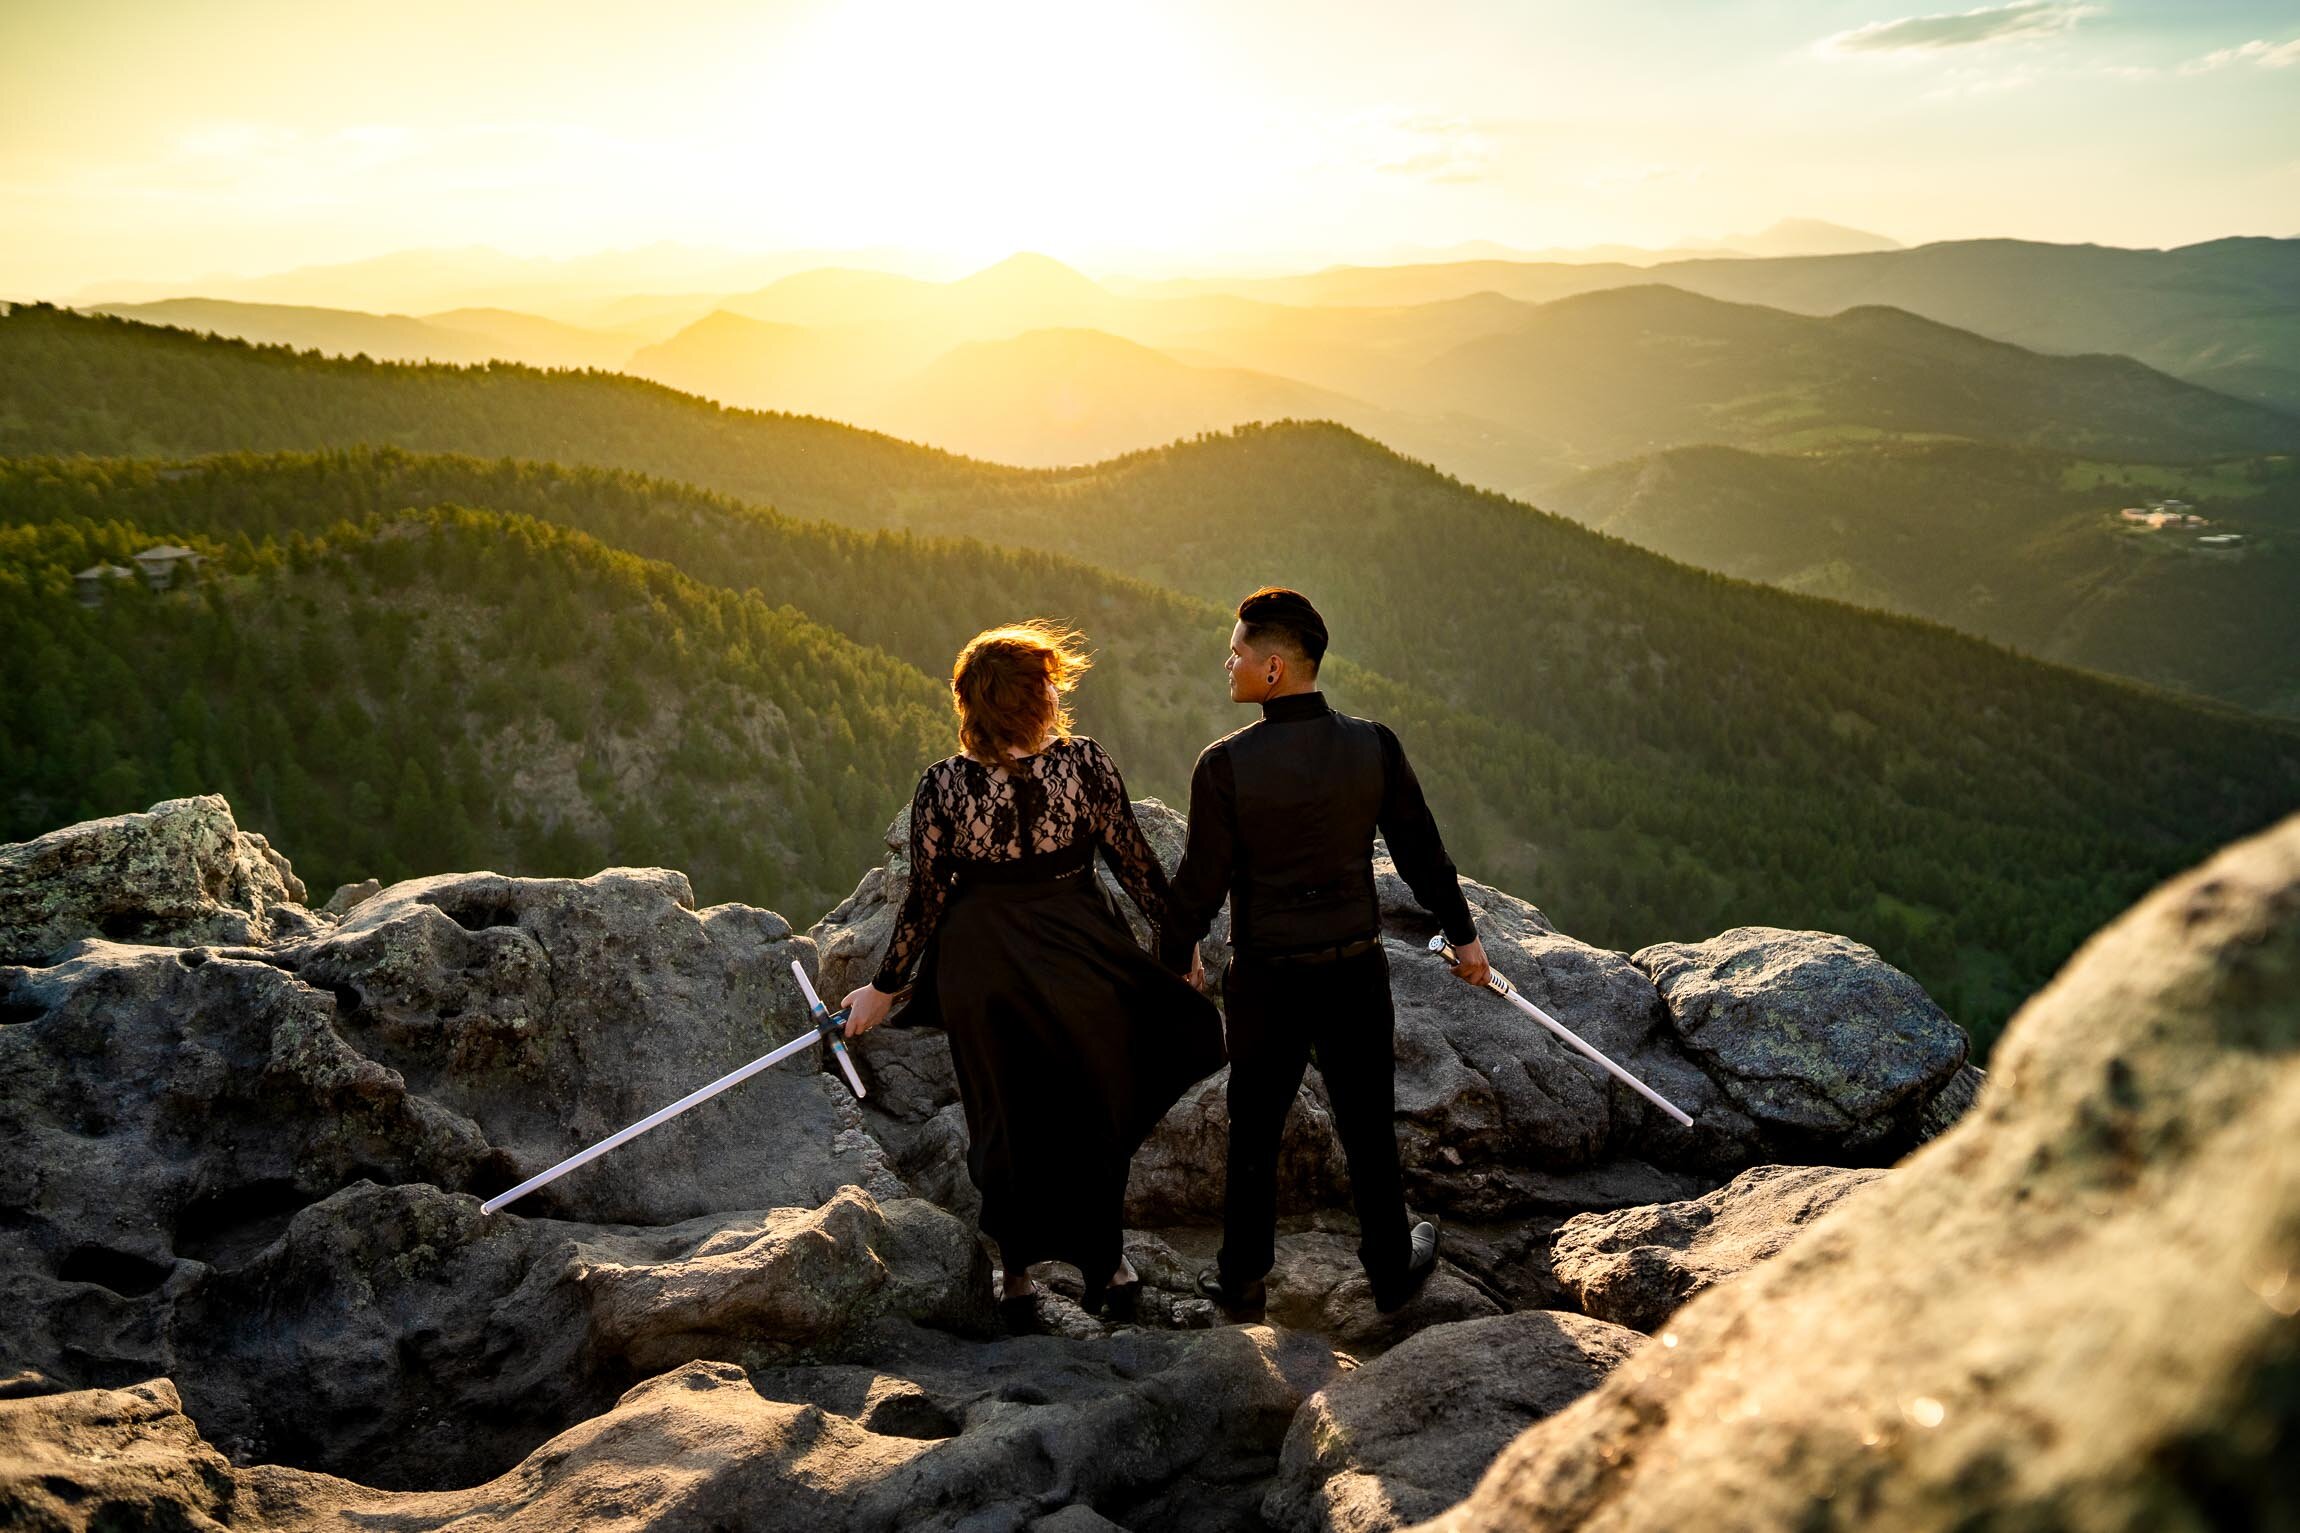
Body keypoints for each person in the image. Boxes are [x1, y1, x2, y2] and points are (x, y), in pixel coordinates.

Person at [841, 620, 1225, 1326]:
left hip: (980, 964)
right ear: (1030, 698)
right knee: (1095, 1106)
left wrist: (883, 988)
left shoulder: (944, 786)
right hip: (1077, 951)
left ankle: (1016, 1278)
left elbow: (926, 900)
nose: (1056, 689)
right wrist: (1184, 947)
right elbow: (1138, 865)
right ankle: (1108, 1266)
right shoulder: (1084, 766)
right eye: (1047, 680)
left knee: (1003, 1115)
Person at [1158, 587, 1492, 1318]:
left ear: (1273, 669)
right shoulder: (1372, 744)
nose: (1229, 661)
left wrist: (1174, 955)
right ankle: (1391, 1268)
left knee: (1255, 1126)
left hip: (1267, 978)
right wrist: (1465, 937)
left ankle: (1243, 1280)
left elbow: (1198, 884)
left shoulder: (1224, 766)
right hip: (1354, 969)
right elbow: (1421, 854)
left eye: (1238, 651)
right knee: (1368, 1122)